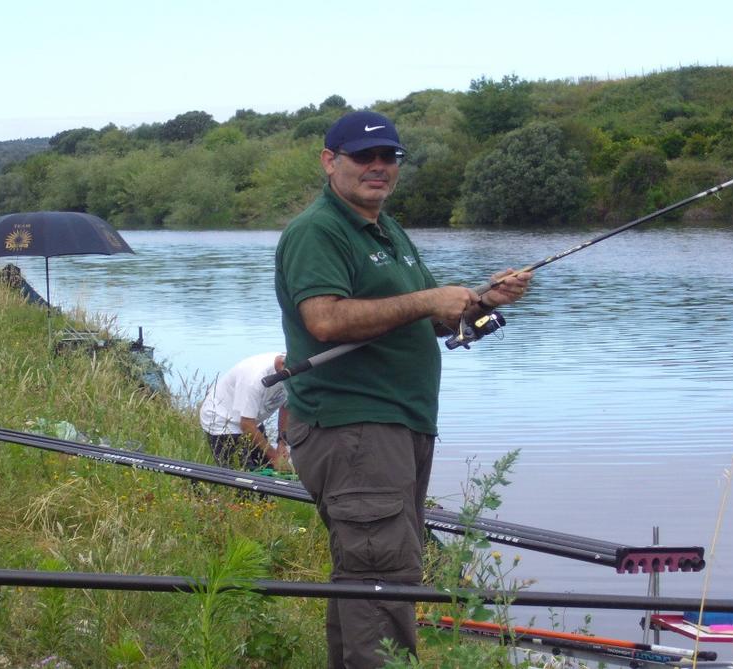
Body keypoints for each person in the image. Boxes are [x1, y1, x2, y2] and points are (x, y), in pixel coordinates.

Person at [274, 110, 532, 668]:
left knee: (371, 573)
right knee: (382, 577)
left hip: (396, 425)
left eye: (388, 157)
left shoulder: (387, 230)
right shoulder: (316, 231)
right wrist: (427, 299)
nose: (378, 167)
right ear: (329, 161)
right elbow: (325, 321)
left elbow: (426, 320)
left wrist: (482, 300)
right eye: (363, 157)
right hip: (354, 428)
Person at [198, 352, 290, 471]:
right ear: (282, 365)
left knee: (269, 470)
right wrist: (274, 457)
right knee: (242, 478)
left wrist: (282, 442)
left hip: (252, 418)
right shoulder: (255, 377)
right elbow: (246, 424)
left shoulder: (297, 371)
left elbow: (287, 405)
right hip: (223, 421)